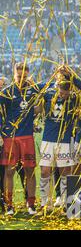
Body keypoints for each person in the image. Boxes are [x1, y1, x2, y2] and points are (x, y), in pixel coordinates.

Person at [0, 63, 50, 215]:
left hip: (27, 137)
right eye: (18, 76)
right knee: (9, 171)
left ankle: (31, 204)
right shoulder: (7, 92)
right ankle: (9, 205)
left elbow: (52, 85)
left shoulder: (33, 89)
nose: (21, 79)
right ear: (13, 75)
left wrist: (40, 107)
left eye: (24, 76)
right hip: (11, 137)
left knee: (30, 171)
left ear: (28, 75)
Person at [37, 81, 79, 210]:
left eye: (65, 94)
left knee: (65, 171)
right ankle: (45, 203)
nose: (62, 96)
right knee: (45, 170)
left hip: (65, 140)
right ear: (57, 88)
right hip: (48, 138)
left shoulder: (75, 98)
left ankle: (66, 201)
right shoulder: (48, 94)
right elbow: (38, 106)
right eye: (60, 93)